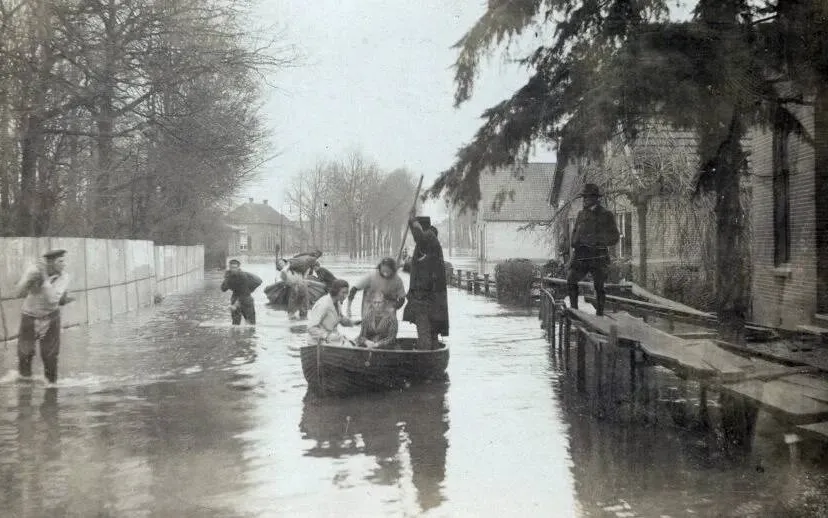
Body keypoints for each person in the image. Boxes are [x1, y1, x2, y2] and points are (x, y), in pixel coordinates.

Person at [14, 249, 74, 384]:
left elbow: (52, 300)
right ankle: (25, 390)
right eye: (60, 261)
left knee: (50, 356)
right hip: (29, 315)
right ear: (50, 263)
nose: (64, 265)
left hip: (51, 316)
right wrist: (29, 280)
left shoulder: (64, 276)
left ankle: (51, 388)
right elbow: (17, 293)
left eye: (64, 261)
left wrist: (45, 279)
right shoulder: (33, 271)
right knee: (24, 354)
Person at [567, 183, 620, 316]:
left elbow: (614, 237)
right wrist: (574, 241)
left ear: (596, 198)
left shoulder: (606, 215)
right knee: (571, 280)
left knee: (599, 286)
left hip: (598, 256)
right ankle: (574, 311)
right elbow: (574, 232)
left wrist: (599, 241)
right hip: (582, 255)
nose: (585, 200)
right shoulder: (580, 214)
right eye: (584, 197)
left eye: (588, 197)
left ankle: (600, 314)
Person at [402, 211, 449, 350]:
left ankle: (424, 358)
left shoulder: (428, 238)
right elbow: (422, 268)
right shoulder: (429, 246)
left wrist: (412, 221)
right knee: (432, 330)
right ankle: (432, 358)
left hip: (424, 298)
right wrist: (403, 266)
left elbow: (419, 236)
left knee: (424, 331)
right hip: (433, 298)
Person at [307, 279, 357, 346]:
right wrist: (326, 336)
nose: (345, 296)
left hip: (333, 340)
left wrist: (353, 323)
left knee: (354, 343)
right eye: (343, 293)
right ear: (336, 291)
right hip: (318, 343)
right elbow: (311, 328)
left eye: (347, 293)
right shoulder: (324, 304)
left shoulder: (337, 302)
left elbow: (340, 318)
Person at [220, 259, 262, 325]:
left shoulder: (243, 276)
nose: (233, 269)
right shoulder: (228, 275)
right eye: (231, 267)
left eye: (235, 267)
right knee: (235, 324)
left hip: (246, 300)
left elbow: (244, 293)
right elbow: (223, 289)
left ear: (239, 267)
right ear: (229, 267)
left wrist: (235, 305)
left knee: (251, 325)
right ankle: (236, 335)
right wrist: (226, 279)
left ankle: (249, 335)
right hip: (235, 298)